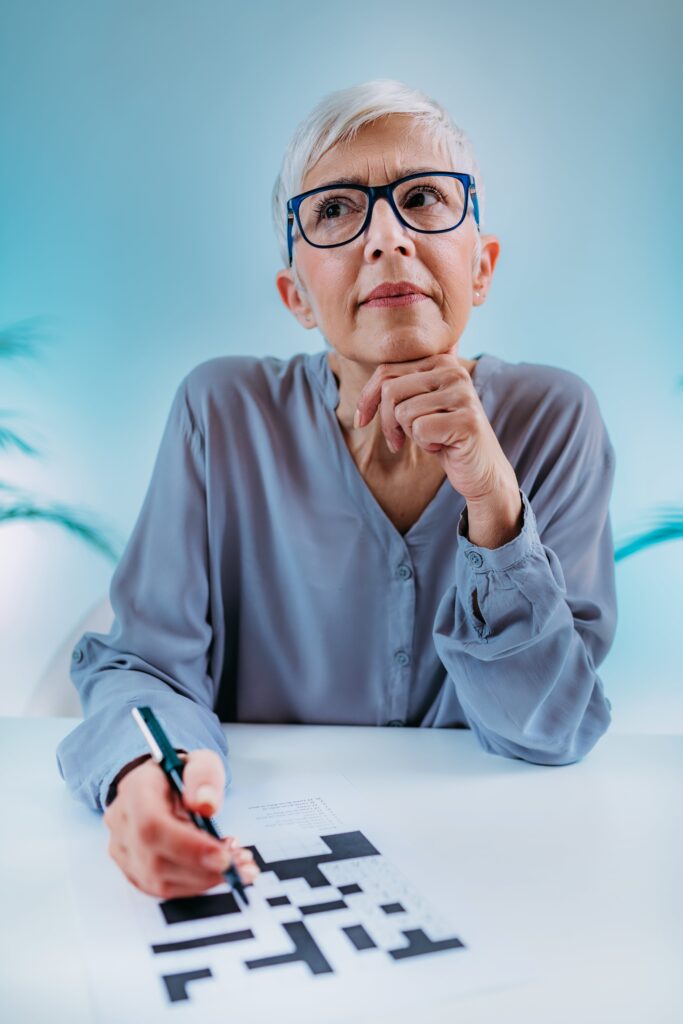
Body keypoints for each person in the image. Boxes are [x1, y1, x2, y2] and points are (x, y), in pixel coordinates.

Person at [56, 79, 617, 900]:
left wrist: (494, 500)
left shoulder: (555, 417)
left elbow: (546, 730)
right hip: (269, 863)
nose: (387, 240)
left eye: (421, 199)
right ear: (296, 295)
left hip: (492, 870)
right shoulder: (220, 411)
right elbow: (145, 667)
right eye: (334, 210)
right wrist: (145, 769)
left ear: (482, 266)